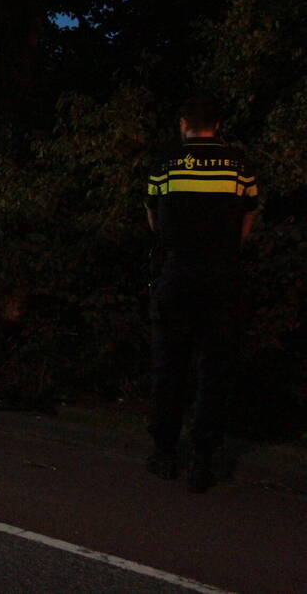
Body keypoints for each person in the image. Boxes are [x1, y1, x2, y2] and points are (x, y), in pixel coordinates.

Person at [144, 97, 259, 493]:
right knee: (214, 370)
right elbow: (247, 219)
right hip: (223, 276)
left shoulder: (165, 162)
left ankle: (163, 454)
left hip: (177, 273)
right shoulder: (239, 165)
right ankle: (203, 461)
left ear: (184, 123)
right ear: (218, 124)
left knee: (169, 366)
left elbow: (153, 218)